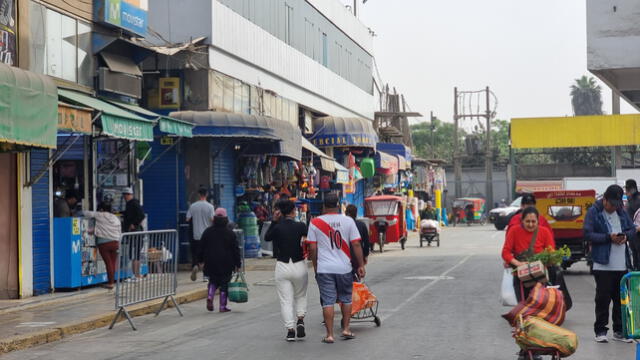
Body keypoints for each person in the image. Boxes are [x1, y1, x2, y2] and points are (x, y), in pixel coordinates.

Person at [307, 193, 365, 344]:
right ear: (338, 205)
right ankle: (346, 329)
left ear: (324, 206)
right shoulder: (348, 221)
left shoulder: (315, 222)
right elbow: (357, 244)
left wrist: (315, 265)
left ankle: (330, 335)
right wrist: (360, 265)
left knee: (327, 301)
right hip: (344, 268)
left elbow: (312, 248)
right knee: (346, 298)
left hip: (324, 268)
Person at [584, 184, 636, 343]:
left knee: (620, 299)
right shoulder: (594, 212)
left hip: (621, 263)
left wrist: (624, 237)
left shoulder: (621, 211)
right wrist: (608, 237)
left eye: (616, 205)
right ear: (604, 199)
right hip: (603, 264)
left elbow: (632, 229)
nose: (613, 208)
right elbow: (587, 233)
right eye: (611, 204)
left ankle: (619, 331)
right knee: (603, 298)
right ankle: (600, 330)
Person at [265, 199, 309, 341]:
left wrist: (274, 221)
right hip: (299, 264)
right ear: (293, 211)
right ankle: (300, 319)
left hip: (282, 266)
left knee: (286, 300)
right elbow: (310, 239)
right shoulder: (301, 226)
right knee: (301, 295)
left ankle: (290, 330)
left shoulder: (277, 227)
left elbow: (266, 237)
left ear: (281, 213)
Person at [501, 206, 556, 301]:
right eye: (527, 221)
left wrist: (549, 260)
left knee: (540, 308)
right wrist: (518, 263)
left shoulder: (545, 232)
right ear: (522, 221)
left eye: (533, 221)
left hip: (540, 278)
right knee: (523, 308)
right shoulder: (514, 231)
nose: (530, 224)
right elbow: (505, 252)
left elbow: (551, 252)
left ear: (538, 221)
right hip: (520, 276)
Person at [201, 207, 241, 312]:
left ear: (214, 218)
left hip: (210, 261)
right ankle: (222, 306)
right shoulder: (230, 233)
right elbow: (235, 250)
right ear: (226, 219)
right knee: (224, 283)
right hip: (226, 262)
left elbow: (201, 247)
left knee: (213, 280)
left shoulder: (207, 232)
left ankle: (210, 296)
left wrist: (200, 260)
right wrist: (238, 264)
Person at [84, 202, 121, 289]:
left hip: (104, 243)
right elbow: (119, 230)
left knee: (108, 263)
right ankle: (112, 282)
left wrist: (78, 211)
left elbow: (87, 213)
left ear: (101, 209)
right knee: (112, 263)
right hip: (115, 242)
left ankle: (111, 283)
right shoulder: (115, 218)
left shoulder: (100, 215)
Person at [187, 187, 215, 282]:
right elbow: (212, 219)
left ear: (199, 195)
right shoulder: (210, 207)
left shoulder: (193, 206)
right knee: (207, 255)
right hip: (207, 235)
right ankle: (205, 276)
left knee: (196, 253)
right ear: (206, 194)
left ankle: (195, 265)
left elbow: (187, 219)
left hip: (196, 234)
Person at [122, 187, 145, 280]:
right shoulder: (130, 204)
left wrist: (134, 224)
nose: (124, 197)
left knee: (135, 253)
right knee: (134, 253)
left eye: (125, 195)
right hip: (133, 232)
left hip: (136, 232)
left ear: (129, 195)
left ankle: (136, 274)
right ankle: (135, 274)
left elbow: (141, 215)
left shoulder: (134, 203)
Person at [625, 179, 640, 269]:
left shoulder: (635, 201)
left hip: (637, 235)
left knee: (637, 260)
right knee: (635, 258)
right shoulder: (630, 201)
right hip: (633, 235)